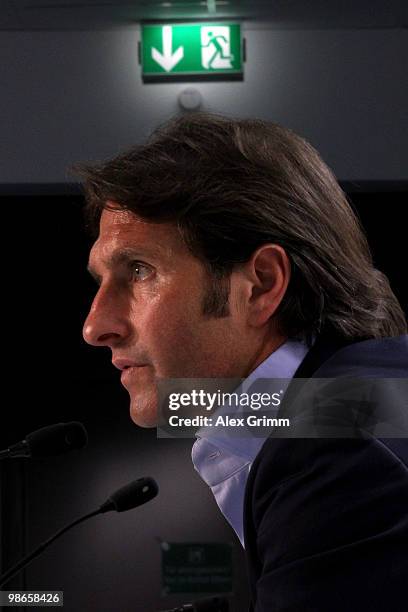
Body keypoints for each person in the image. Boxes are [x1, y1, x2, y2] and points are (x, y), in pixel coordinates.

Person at [77, 113, 408, 611]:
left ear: (260, 285)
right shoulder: (359, 402)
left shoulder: (338, 454)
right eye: (100, 281)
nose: (95, 325)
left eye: (139, 270)